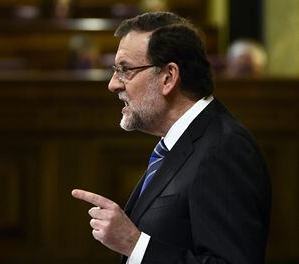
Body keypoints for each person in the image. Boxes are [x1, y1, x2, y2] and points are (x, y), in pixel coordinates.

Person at [70, 12, 270, 263]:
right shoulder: (178, 142)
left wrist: (134, 244)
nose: (113, 84)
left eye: (124, 70)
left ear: (168, 77)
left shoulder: (224, 149)